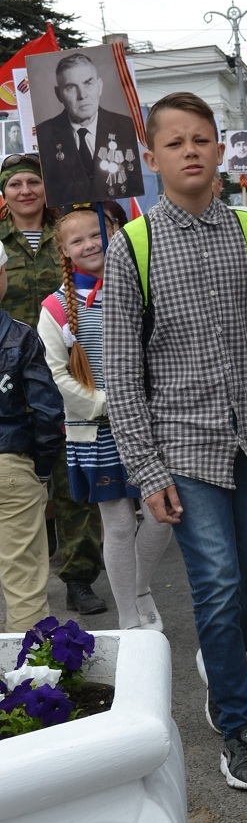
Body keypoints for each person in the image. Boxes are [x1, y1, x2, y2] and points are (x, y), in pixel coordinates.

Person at [104, 92, 247, 790]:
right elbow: (123, 374)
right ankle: (242, 727)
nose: (190, 150)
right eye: (175, 142)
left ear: (221, 150)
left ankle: (223, 670)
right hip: (183, 449)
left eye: (202, 138)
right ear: (152, 159)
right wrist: (145, 467)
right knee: (216, 584)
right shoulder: (133, 246)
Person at [38, 209, 173, 630]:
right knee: (116, 522)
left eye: (98, 234)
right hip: (96, 430)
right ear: (63, 250)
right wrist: (106, 404)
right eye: (78, 241)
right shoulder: (55, 308)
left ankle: (140, 587)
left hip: (152, 424)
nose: (91, 244)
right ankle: (130, 620)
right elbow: (56, 374)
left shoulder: (139, 287)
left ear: (113, 231)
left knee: (162, 512)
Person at [0, 153, 106, 616]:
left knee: (72, 477)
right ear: (4, 194)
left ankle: (79, 576)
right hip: (10, 379)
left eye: (33, 183)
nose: (25, 191)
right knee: (21, 475)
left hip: (66, 369)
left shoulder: (66, 234)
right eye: (15, 185)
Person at [0, 239, 64, 634]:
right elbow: (47, 411)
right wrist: (40, 469)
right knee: (23, 581)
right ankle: (27, 685)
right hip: (12, 463)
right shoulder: (20, 336)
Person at [34, 52, 142, 203]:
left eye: (88, 83)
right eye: (71, 87)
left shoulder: (126, 127)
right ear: (58, 94)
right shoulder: (43, 134)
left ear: (100, 86)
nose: (82, 95)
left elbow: (135, 184)